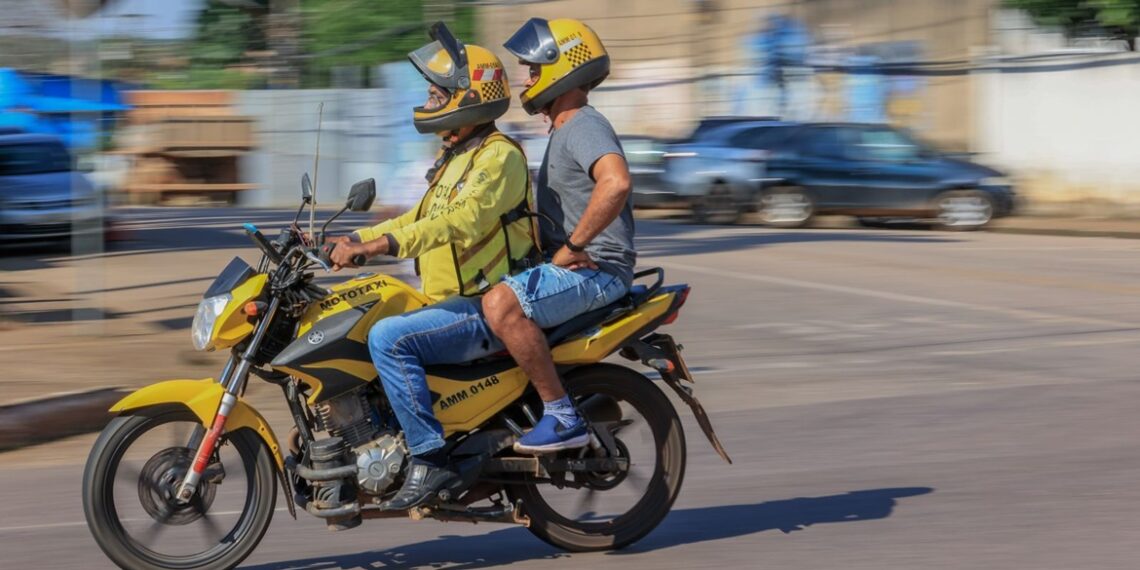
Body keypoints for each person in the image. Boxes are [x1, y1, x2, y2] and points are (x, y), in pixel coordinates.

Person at [328, 23, 538, 510]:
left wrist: (381, 243)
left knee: (389, 339)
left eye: (436, 92)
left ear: (469, 96)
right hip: (447, 301)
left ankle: (430, 456)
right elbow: (419, 217)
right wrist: (352, 238)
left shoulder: (498, 157)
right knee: (364, 316)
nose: (428, 101)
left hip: (485, 305)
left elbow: (461, 221)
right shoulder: (456, 157)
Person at [481, 18, 635, 454]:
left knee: (502, 305)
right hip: (582, 265)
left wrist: (573, 247)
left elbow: (616, 183)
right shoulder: (565, 129)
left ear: (560, 67)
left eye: (532, 70)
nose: (525, 80)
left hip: (598, 269)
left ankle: (563, 415)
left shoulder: (583, 124)